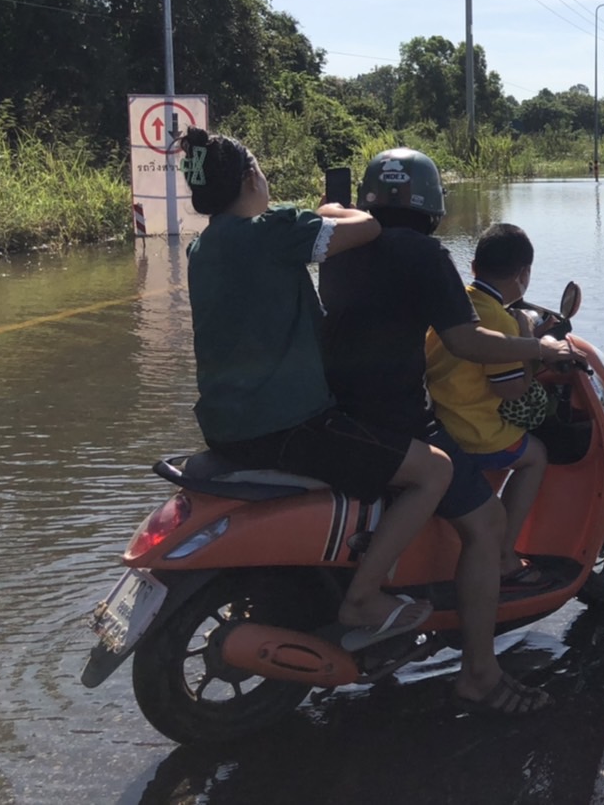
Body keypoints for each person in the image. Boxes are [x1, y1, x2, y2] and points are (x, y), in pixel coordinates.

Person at [318, 148, 574, 716]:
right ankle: (479, 673)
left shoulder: (338, 246)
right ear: (432, 204)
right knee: (486, 524)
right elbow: (467, 340)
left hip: (337, 412)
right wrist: (538, 347)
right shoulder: (425, 254)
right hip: (395, 417)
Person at [177, 128, 451, 649]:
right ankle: (363, 598)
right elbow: (369, 226)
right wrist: (334, 208)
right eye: (262, 173)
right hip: (287, 425)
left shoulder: (201, 246)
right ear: (251, 178)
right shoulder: (273, 232)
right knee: (434, 470)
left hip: (224, 425)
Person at [424, 224, 551, 585]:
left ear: (474, 267)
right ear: (523, 274)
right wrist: (529, 342)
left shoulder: (458, 304)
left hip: (438, 419)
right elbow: (512, 389)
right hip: (472, 429)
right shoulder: (499, 320)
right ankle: (505, 555)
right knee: (536, 455)